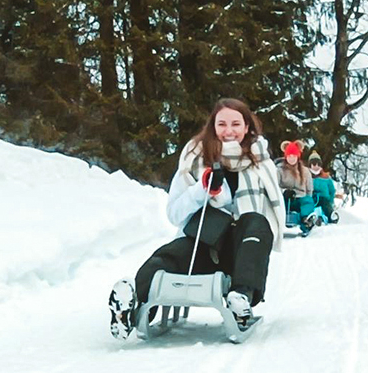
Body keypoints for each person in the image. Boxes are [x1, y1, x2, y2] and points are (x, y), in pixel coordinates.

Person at [109, 99, 285, 337]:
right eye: (222, 124)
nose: (229, 131)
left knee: (255, 221)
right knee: (168, 257)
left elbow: (270, 217)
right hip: (201, 243)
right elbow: (174, 214)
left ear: (247, 128)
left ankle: (240, 300)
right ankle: (131, 307)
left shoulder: (261, 164)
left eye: (236, 124)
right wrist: (202, 190)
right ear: (213, 127)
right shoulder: (194, 159)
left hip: (240, 251)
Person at [278, 140, 323, 234]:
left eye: (294, 156)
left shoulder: (305, 171)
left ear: (298, 156)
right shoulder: (280, 170)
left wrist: (308, 197)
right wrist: (284, 191)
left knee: (308, 201)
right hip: (285, 199)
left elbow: (309, 189)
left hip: (300, 198)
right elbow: (275, 186)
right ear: (286, 156)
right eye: (289, 156)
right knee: (279, 204)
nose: (291, 158)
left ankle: (306, 220)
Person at [307, 152, 343, 223]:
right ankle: (310, 218)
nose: (316, 166)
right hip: (312, 198)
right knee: (308, 204)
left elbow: (332, 190)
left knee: (325, 203)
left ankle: (331, 216)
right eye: (314, 164)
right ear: (310, 165)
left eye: (318, 164)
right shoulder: (307, 177)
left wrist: (331, 200)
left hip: (324, 199)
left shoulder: (326, 178)